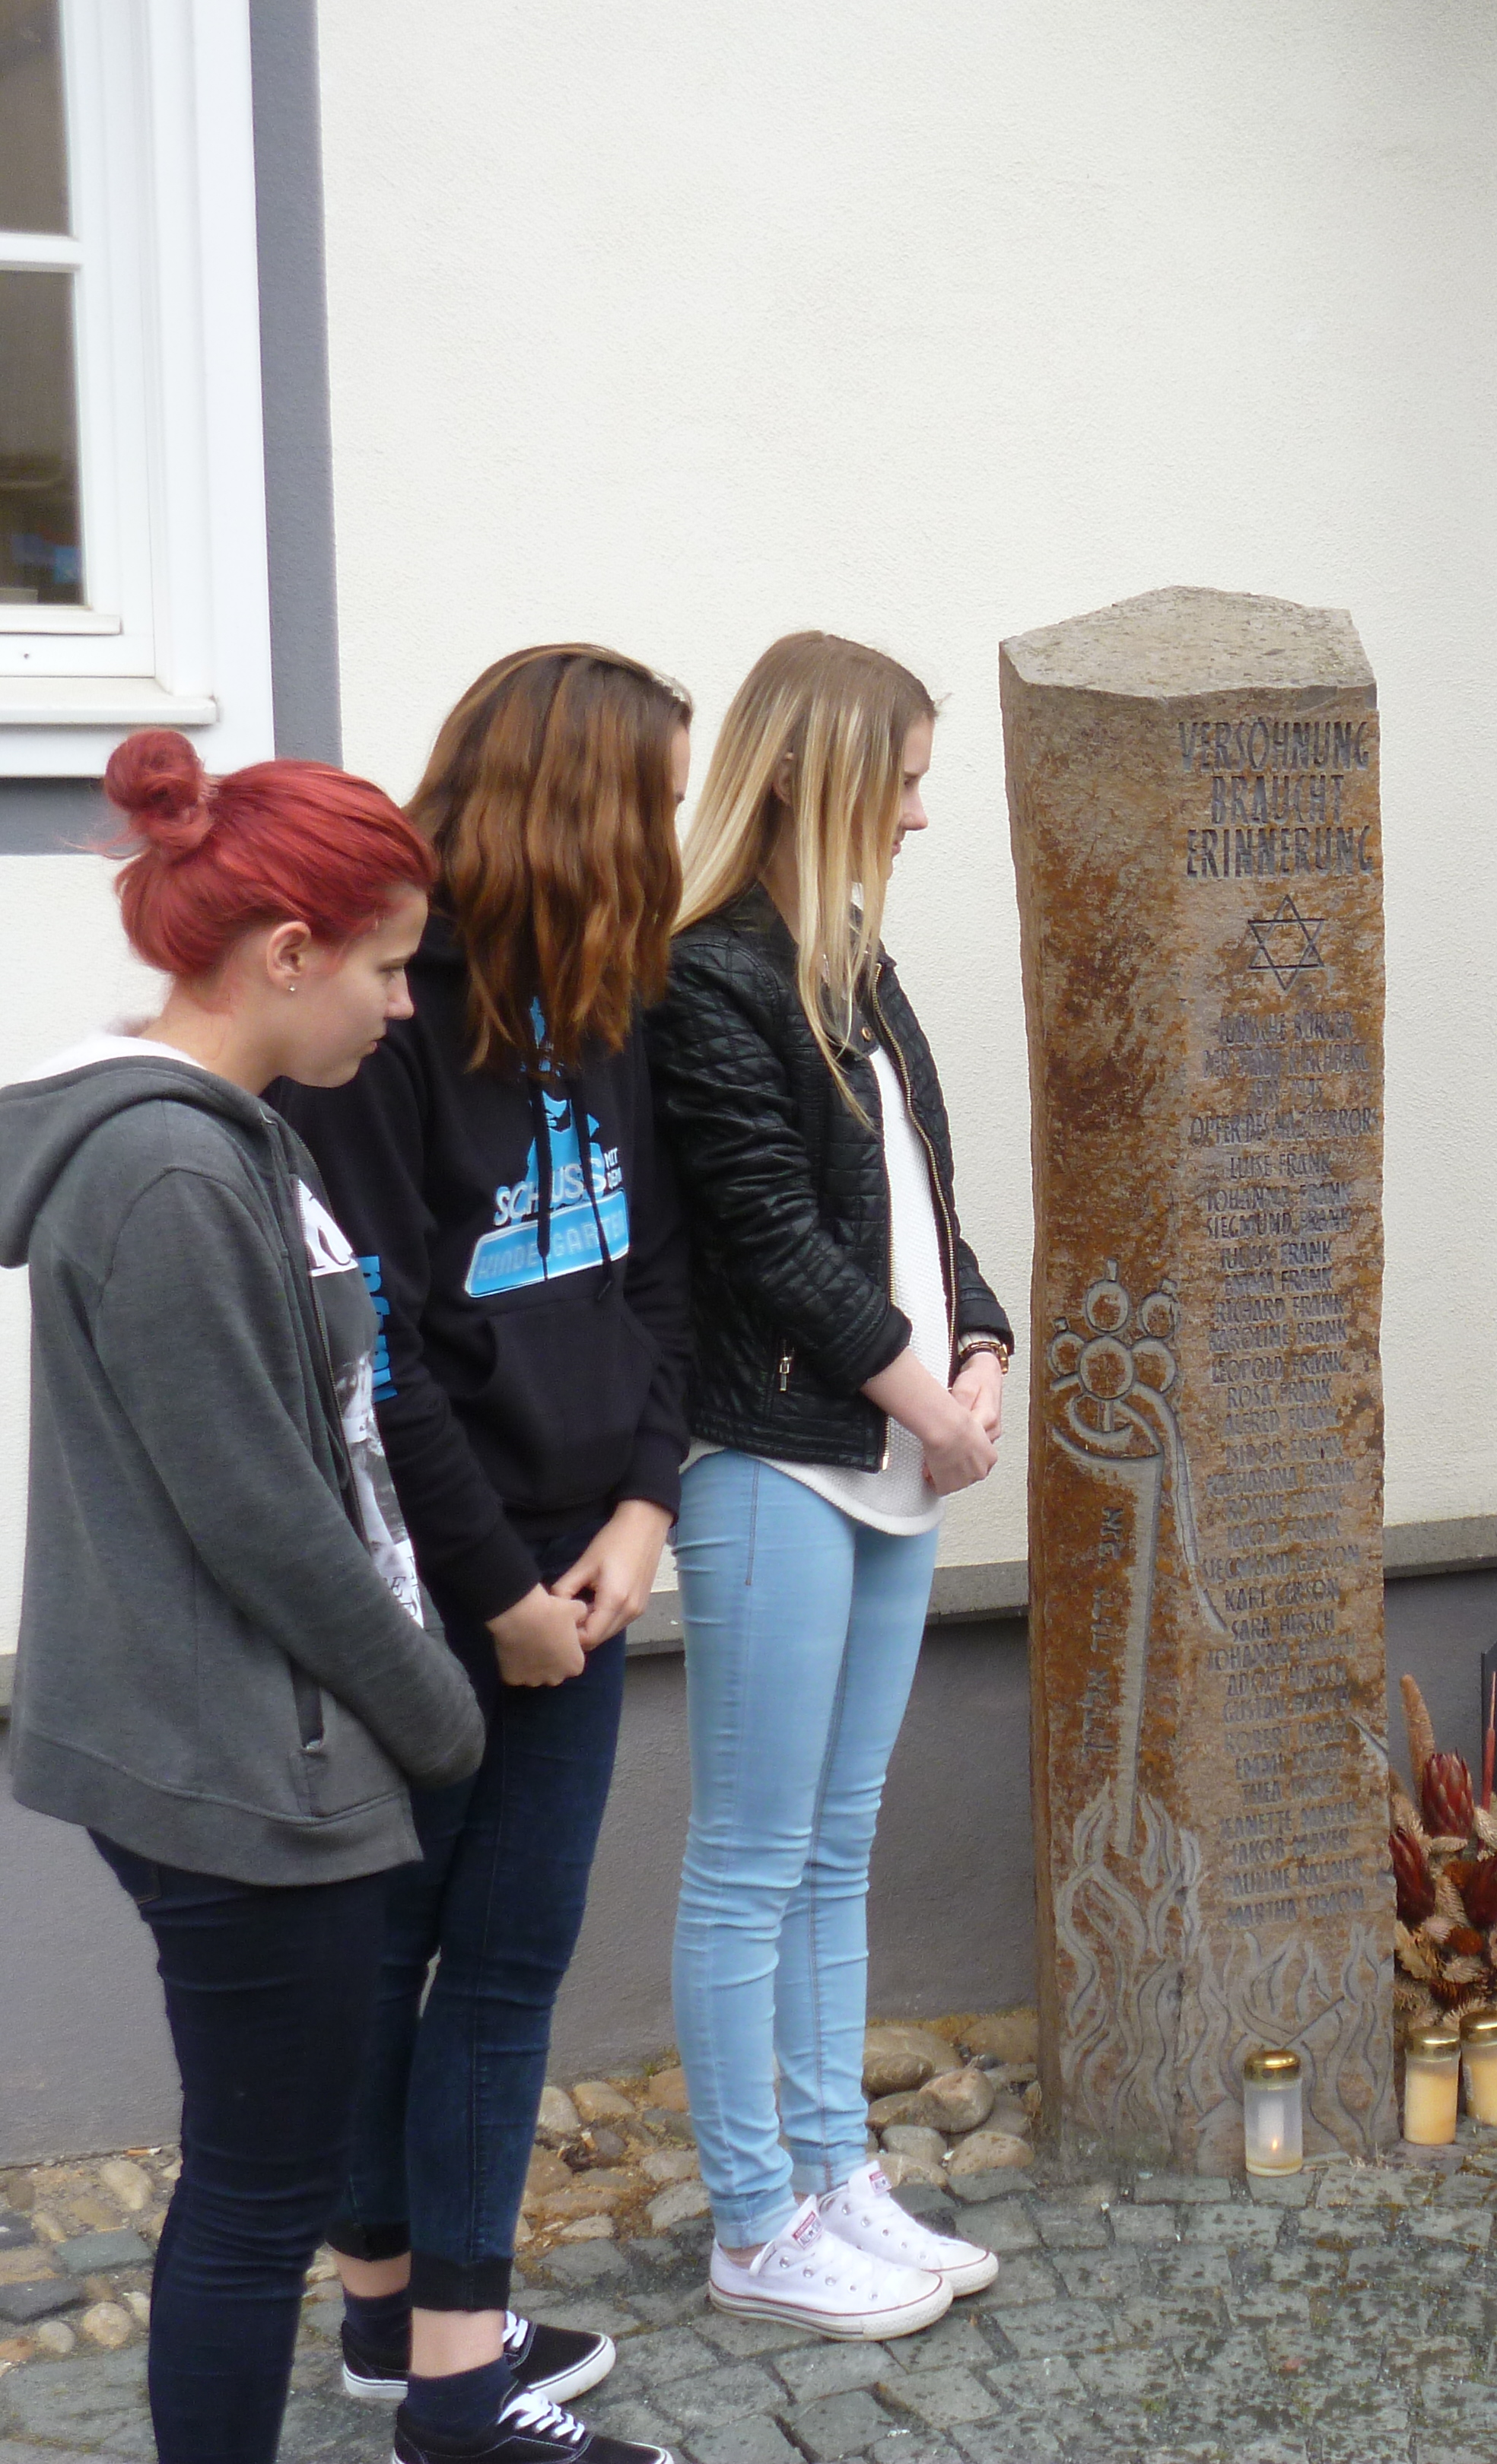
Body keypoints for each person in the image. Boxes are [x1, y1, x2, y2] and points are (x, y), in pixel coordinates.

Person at [0, 734, 490, 2464]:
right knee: (256, 2196)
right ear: (291, 953)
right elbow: (262, 1516)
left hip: (239, 1735)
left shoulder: (225, 1138)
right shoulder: (171, 1171)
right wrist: (435, 1713)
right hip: (233, 1765)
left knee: (256, 2176)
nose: (404, 1006)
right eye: (390, 966)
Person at [269, 647, 695, 2460]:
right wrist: (500, 1597)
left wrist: (642, 1509)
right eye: (657, 801)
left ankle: (423, 2337)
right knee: (409, 1949)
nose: (675, 839)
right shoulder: (386, 1025)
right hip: (439, 1586)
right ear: (583, 811)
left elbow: (666, 1277)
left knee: (502, 1956)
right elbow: (389, 1345)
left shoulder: (612, 999)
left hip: (580, 1564)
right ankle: (436, 2372)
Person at [647, 633, 1013, 2339]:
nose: (927, 814)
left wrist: (989, 1343)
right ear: (810, 775)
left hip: (891, 1454)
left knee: (837, 1847)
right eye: (909, 776)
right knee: (752, 1856)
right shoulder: (710, 973)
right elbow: (768, 1238)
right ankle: (752, 2222)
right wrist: (926, 1399)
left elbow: (926, 1203)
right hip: (778, 1462)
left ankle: (827, 2170)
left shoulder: (856, 967)